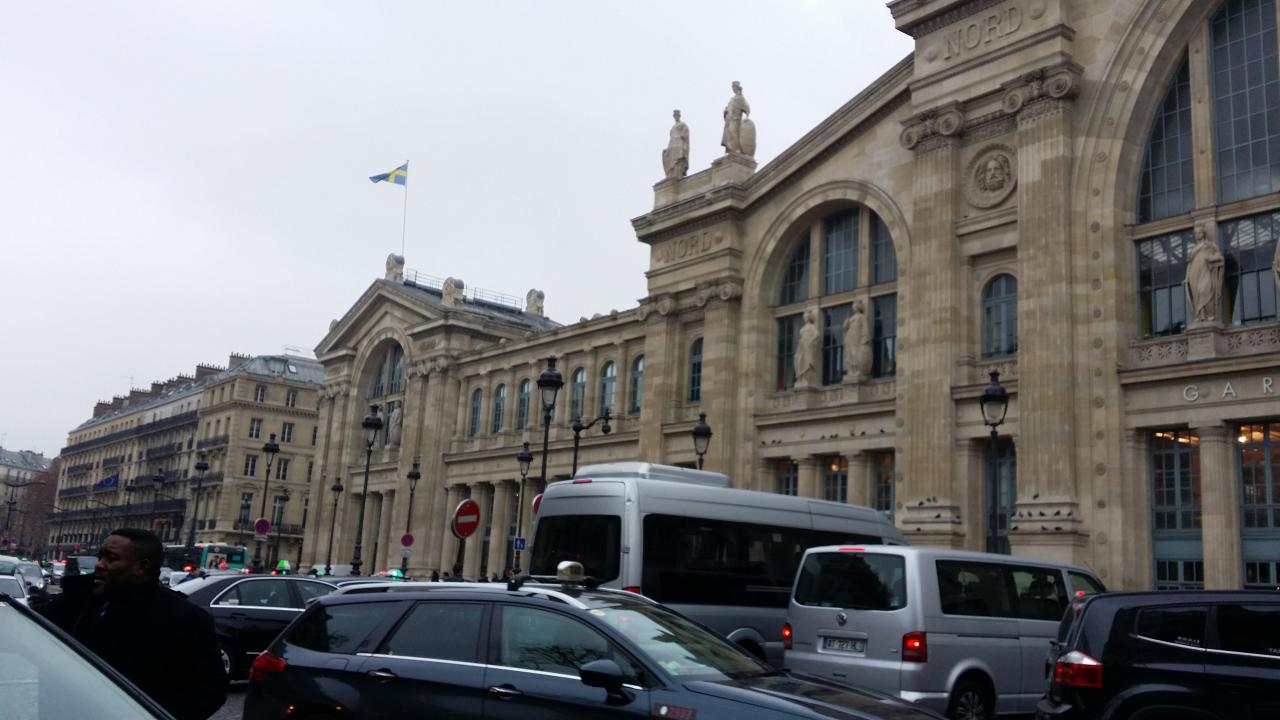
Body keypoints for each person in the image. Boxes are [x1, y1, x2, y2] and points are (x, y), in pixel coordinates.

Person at [38, 528, 226, 720]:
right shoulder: (77, 601)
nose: (99, 565)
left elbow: (210, 690)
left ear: (141, 567)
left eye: (111, 558)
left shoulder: (185, 619)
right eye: (100, 557)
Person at [1184, 225, 1224, 323]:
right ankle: (1201, 316)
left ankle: (1210, 315)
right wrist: (1187, 277)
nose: (1198, 235)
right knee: (1196, 294)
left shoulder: (1210, 245)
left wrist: (1212, 258)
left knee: (1204, 290)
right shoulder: (1194, 249)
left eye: (1200, 232)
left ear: (1204, 233)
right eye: (1196, 233)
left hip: (1206, 271)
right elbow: (1189, 263)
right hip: (1194, 273)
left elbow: (1219, 256)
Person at [721, 81, 751, 155]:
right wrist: (726, 111)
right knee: (729, 135)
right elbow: (728, 108)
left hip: (735, 119)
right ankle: (730, 151)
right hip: (729, 119)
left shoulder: (741, 98)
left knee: (734, 134)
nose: (733, 89)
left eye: (734, 87)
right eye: (732, 88)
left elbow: (746, 107)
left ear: (737, 88)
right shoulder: (732, 99)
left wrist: (747, 116)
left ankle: (736, 150)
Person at [662, 109, 690, 179]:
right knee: (670, 161)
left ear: (679, 116)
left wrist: (683, 145)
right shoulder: (673, 128)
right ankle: (671, 176)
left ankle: (677, 176)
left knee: (678, 160)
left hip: (679, 144)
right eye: (675, 116)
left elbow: (685, 135)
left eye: (677, 115)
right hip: (672, 145)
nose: (676, 117)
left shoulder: (683, 124)